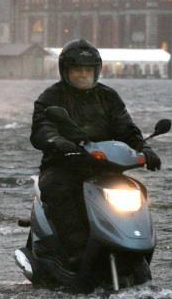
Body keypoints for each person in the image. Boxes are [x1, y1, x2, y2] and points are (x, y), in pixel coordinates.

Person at [30, 39, 162, 272]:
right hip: (64, 165)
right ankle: (75, 251)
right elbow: (42, 127)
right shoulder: (51, 97)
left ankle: (139, 245)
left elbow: (126, 127)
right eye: (77, 70)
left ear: (96, 71)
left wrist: (144, 149)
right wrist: (57, 141)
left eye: (87, 70)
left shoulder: (108, 97)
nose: (83, 75)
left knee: (137, 190)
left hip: (105, 166)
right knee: (59, 189)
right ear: (65, 71)